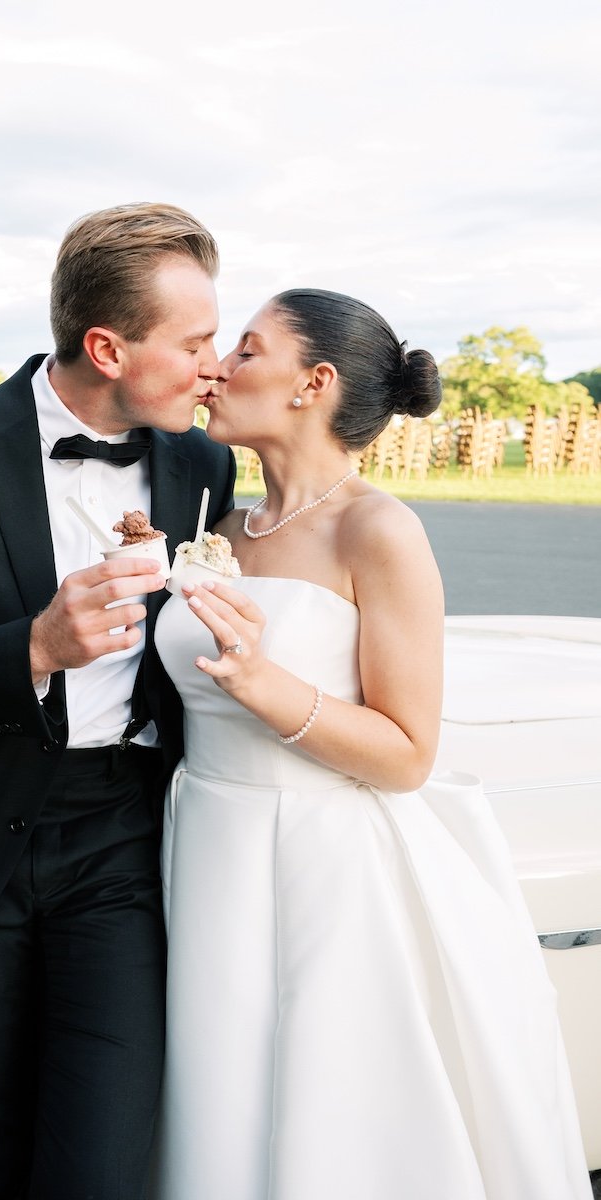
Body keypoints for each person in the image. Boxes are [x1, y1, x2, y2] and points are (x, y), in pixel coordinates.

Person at [152, 289, 591, 1199]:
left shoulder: (379, 531)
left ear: (313, 382)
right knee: (221, 1099)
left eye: (245, 347)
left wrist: (267, 688)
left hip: (324, 863)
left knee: (329, 1113)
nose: (217, 367)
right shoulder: (222, 527)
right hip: (204, 844)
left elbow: (406, 754)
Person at [0, 202, 236, 1200]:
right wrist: (34, 646)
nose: (214, 364)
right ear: (107, 347)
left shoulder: (202, 461)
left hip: (122, 842)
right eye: (194, 342)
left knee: (103, 1166)